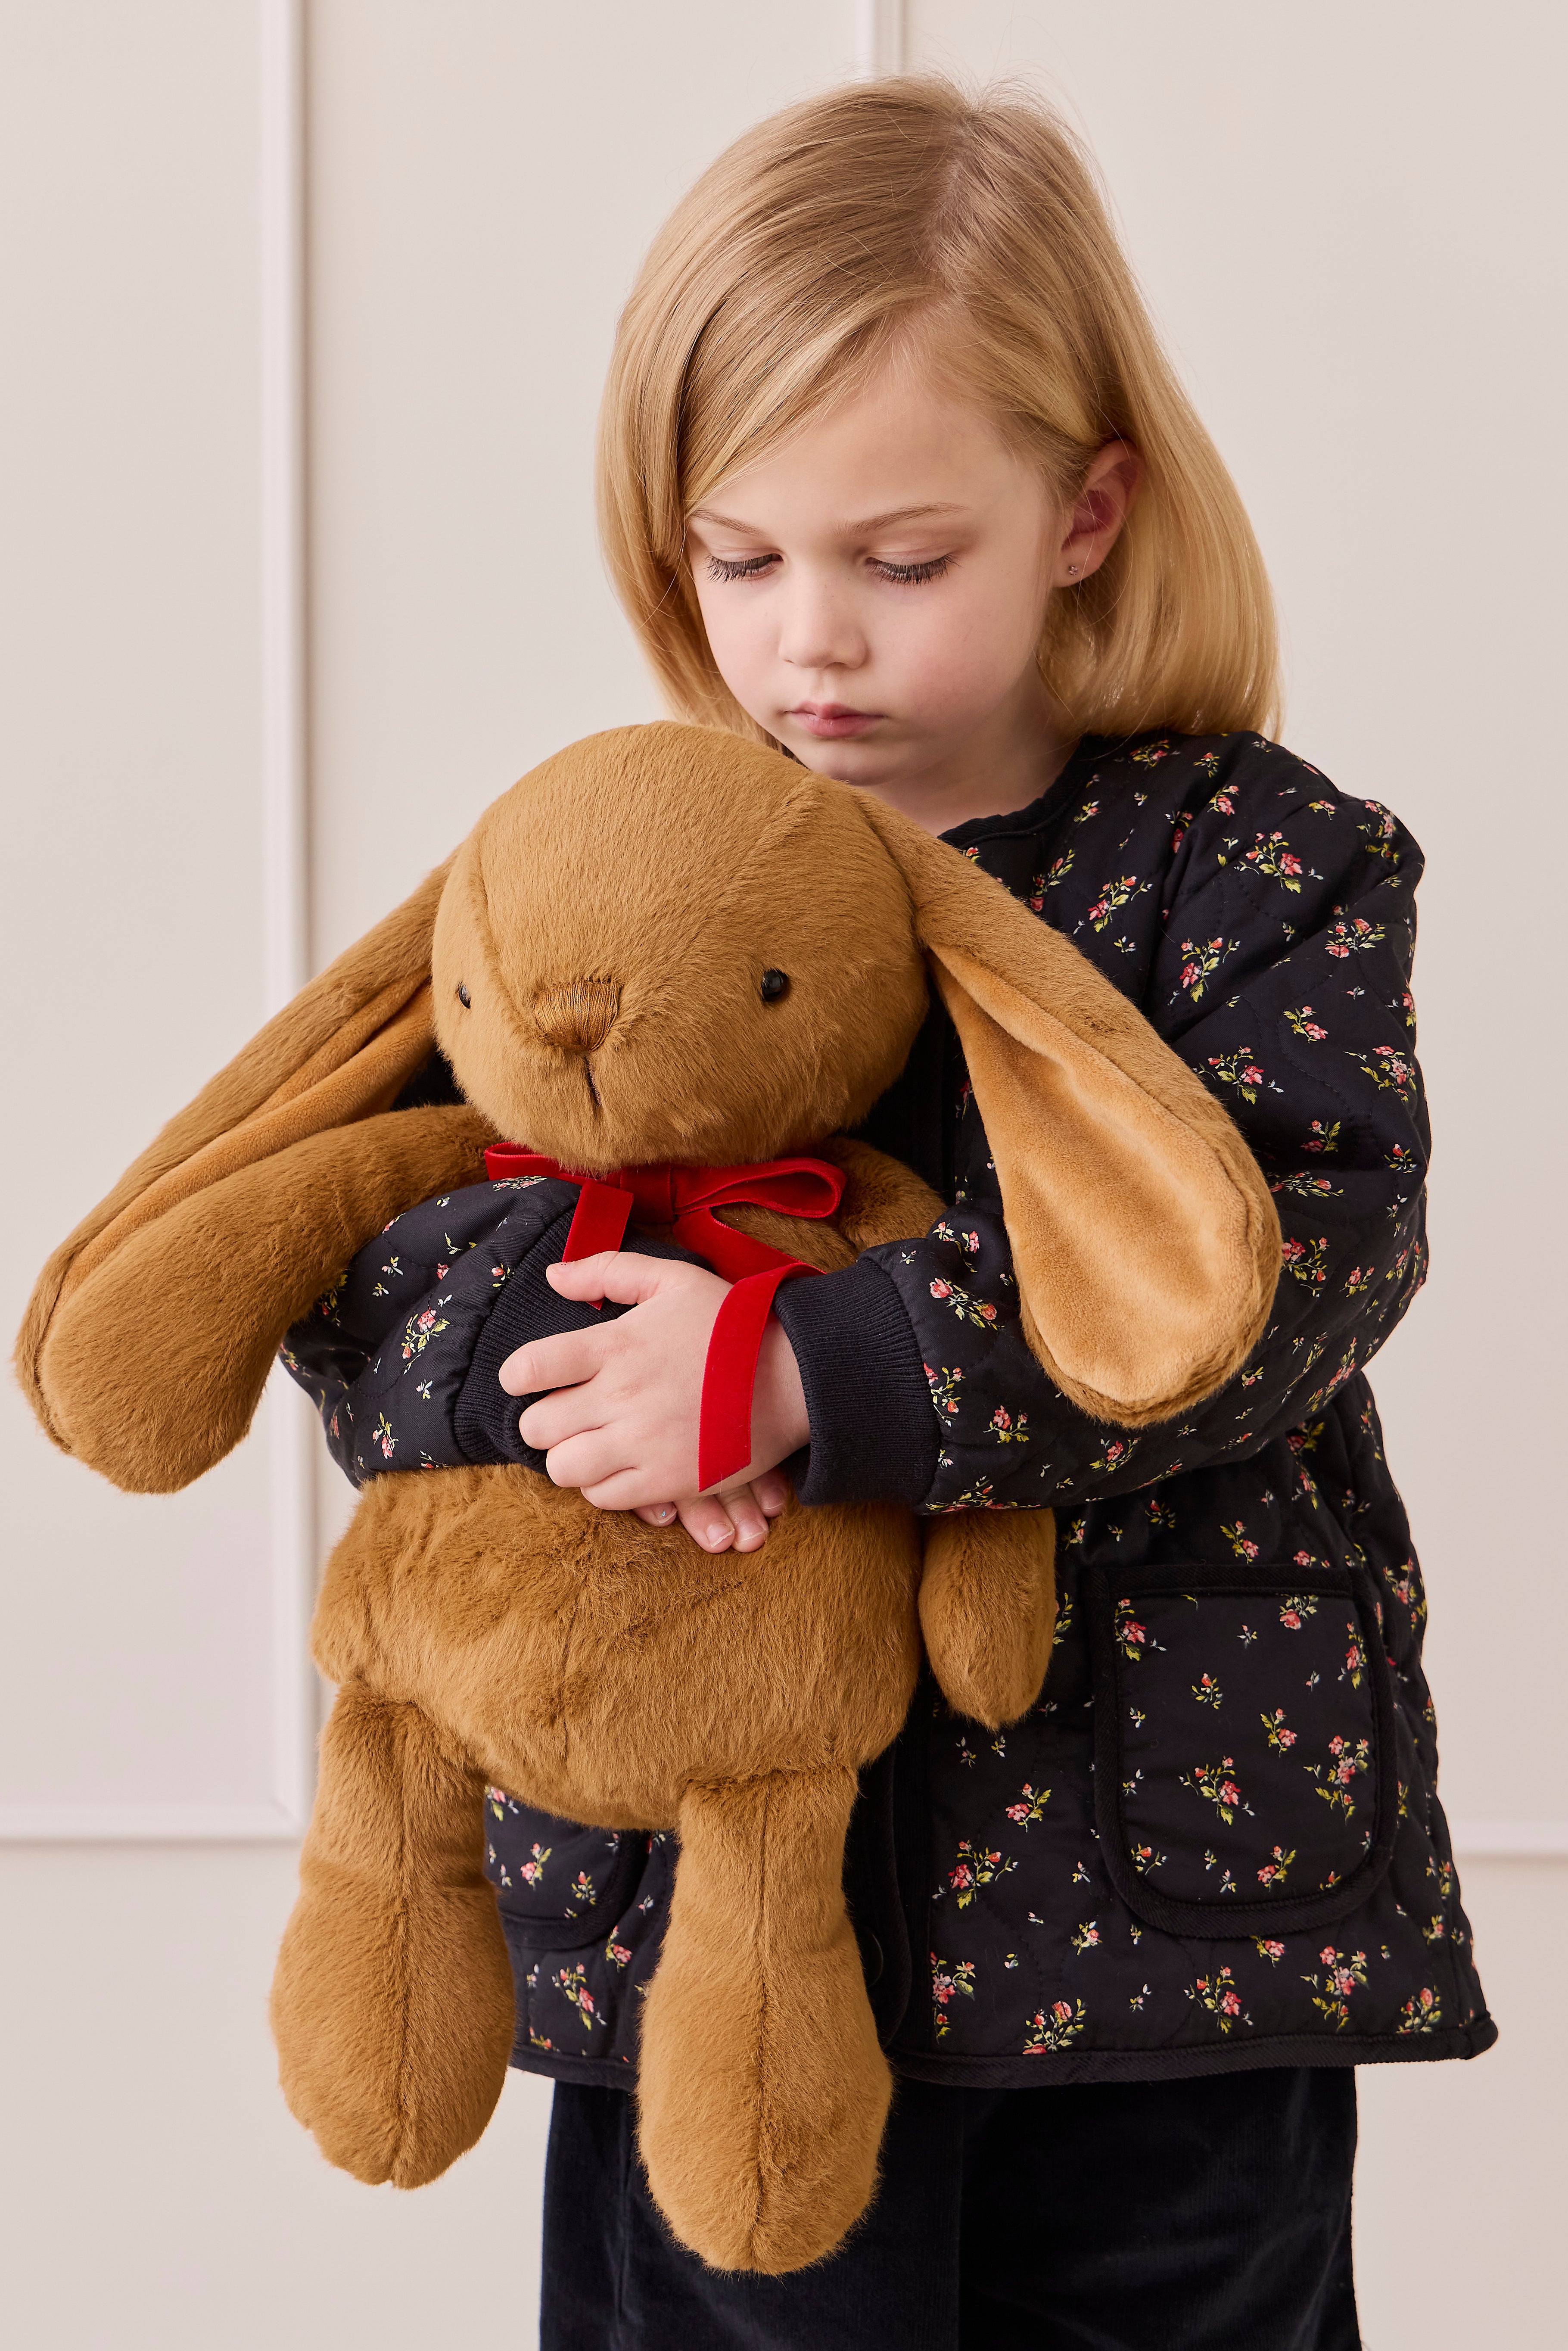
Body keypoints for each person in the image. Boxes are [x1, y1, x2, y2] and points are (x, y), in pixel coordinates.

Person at [332, 76, 1496, 2350]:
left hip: (1162, 1920)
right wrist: (585, 1359)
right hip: (712, 1921)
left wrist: (804, 1369)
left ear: (1081, 512)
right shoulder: (625, 859)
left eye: (896, 558)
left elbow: (1293, 1246)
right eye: (735, 559)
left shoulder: (1256, 865)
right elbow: (356, 1223)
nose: (806, 645)